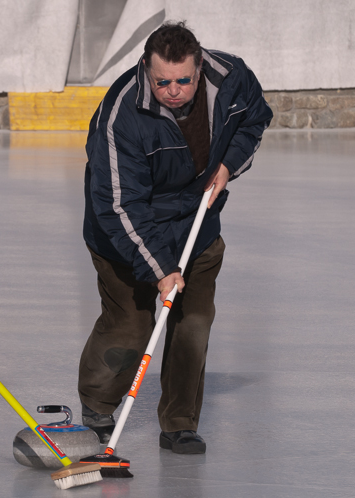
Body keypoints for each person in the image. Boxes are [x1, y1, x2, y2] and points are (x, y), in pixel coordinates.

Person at [79, 22, 272, 454]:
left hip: (197, 226)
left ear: (199, 66)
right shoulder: (122, 115)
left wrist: (227, 167)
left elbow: (254, 119)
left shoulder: (230, 78)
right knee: (132, 327)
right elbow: (119, 205)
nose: (173, 90)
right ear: (146, 69)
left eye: (183, 80)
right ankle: (97, 406)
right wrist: (161, 269)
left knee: (193, 325)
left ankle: (179, 422)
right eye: (161, 81)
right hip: (126, 235)